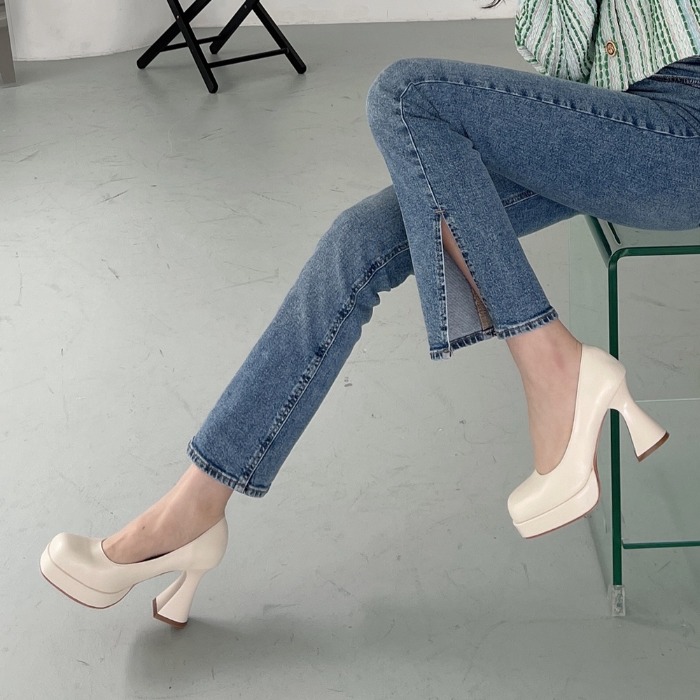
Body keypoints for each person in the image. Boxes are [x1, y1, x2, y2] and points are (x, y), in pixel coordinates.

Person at [40, 1, 700, 628]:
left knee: (407, 95)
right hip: (623, 119)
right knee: (359, 239)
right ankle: (196, 505)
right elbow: (566, 47)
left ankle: (554, 367)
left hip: (683, 136)